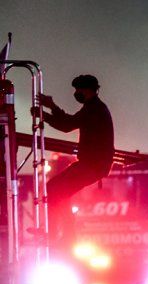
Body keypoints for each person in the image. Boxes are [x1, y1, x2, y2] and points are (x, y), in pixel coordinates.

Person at [36, 74, 114, 244]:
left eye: (78, 89)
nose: (76, 93)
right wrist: (48, 111)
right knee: (59, 192)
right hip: (93, 165)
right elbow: (68, 122)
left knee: (53, 188)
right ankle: (63, 234)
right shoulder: (93, 108)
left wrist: (48, 111)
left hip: (92, 165)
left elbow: (67, 124)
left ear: (86, 90)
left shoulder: (94, 109)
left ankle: (57, 233)